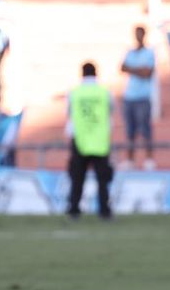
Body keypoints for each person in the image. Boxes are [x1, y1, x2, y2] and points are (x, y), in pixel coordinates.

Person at [66, 62, 114, 220]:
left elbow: (69, 113)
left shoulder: (75, 93)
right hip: (100, 141)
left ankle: (74, 209)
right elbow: (110, 110)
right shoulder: (104, 92)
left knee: (77, 178)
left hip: (80, 139)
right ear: (96, 73)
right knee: (102, 179)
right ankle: (104, 211)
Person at [120, 25, 156, 170]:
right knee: (130, 130)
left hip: (143, 96)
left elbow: (147, 73)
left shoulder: (149, 52)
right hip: (130, 96)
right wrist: (138, 69)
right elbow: (122, 67)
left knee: (145, 129)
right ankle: (130, 159)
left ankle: (149, 158)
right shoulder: (130, 52)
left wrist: (131, 68)